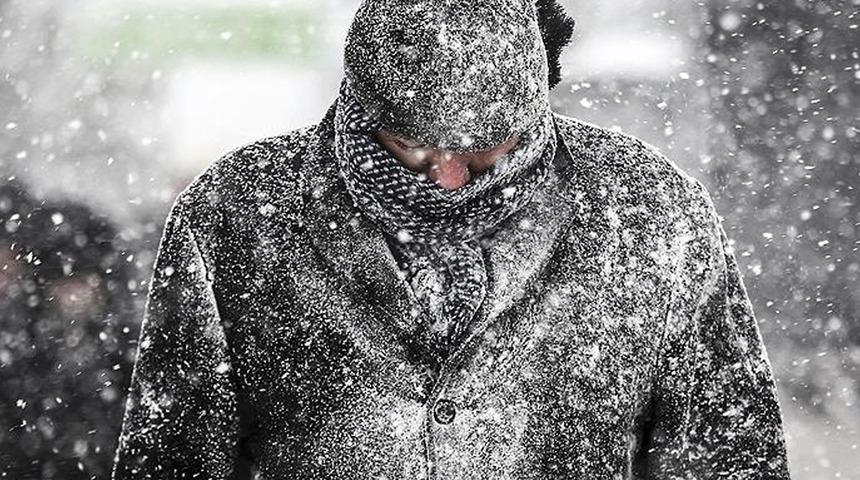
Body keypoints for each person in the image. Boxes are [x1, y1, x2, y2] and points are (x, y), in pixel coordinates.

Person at [111, 0, 791, 478]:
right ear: (360, 105)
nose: (447, 177)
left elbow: (727, 455)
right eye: (409, 145)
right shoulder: (236, 214)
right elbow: (171, 454)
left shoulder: (651, 215)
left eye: (487, 151)